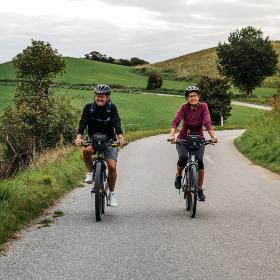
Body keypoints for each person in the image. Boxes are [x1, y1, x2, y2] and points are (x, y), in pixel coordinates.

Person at [75, 84, 126, 207]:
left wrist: (120, 138)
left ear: (107, 97)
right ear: (95, 96)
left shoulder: (112, 108)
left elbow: (116, 123)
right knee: (86, 151)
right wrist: (78, 138)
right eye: (98, 96)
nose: (100, 99)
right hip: (93, 138)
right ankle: (91, 172)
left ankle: (112, 193)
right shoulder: (88, 108)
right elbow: (83, 123)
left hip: (109, 140)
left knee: (112, 167)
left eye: (102, 96)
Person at [169, 85, 218, 201]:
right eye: (190, 96)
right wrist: (172, 135)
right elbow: (176, 122)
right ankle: (179, 176)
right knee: (183, 157)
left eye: (195, 96)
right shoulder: (184, 108)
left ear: (198, 97)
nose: (193, 98)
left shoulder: (204, 107)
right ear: (187, 98)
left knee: (200, 162)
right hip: (183, 138)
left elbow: (207, 122)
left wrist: (213, 136)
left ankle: (200, 189)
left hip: (198, 139)